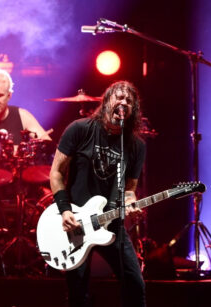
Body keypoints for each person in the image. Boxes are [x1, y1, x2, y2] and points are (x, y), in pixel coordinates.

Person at [49, 80, 146, 307]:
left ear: (133, 110)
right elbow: (56, 173)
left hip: (112, 223)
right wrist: (64, 210)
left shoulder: (135, 145)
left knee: (135, 284)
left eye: (129, 101)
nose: (123, 102)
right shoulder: (79, 129)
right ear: (106, 101)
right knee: (78, 289)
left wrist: (132, 204)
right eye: (119, 97)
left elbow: (130, 189)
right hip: (77, 224)